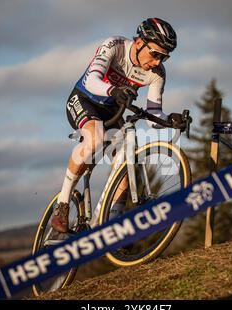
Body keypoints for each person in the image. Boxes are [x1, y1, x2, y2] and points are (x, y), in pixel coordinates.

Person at [52, 17, 186, 233]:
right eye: (155, 54)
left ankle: (108, 227)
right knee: (95, 138)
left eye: (165, 57)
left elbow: (153, 114)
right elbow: (91, 80)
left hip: (114, 110)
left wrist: (169, 120)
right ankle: (63, 204)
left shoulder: (157, 74)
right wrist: (113, 90)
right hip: (85, 100)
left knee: (126, 162)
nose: (158, 62)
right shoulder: (115, 46)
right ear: (140, 42)